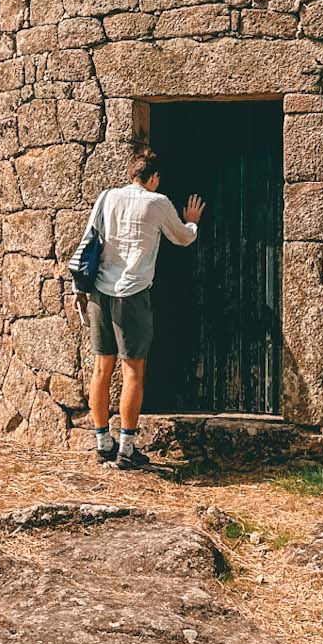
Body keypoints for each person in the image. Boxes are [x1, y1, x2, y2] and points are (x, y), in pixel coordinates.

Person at [73, 146, 205, 470]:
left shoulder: (107, 198)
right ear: (154, 177)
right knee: (134, 371)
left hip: (101, 292)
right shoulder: (157, 203)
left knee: (101, 369)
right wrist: (192, 223)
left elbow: (90, 240)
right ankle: (127, 448)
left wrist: (79, 289)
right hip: (132, 295)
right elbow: (182, 238)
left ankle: (103, 442)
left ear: (131, 173)